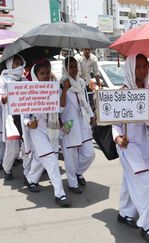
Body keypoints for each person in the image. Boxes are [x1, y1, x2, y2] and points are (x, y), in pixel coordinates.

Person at [112, 54, 149, 243]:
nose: (143, 70)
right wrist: (119, 137)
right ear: (130, 68)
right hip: (127, 146)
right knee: (144, 182)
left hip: (144, 143)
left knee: (129, 180)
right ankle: (146, 225)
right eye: (138, 66)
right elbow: (114, 123)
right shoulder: (122, 92)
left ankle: (124, 213)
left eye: (145, 66)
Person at [23, 60, 70, 207]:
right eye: (41, 73)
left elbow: (60, 109)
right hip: (37, 131)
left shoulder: (55, 89)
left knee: (41, 159)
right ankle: (60, 194)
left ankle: (31, 179)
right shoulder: (28, 91)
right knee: (51, 161)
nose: (45, 76)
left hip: (53, 129)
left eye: (47, 73)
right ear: (35, 75)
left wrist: (65, 91)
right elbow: (25, 117)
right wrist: (29, 123)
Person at [59, 56, 95, 194]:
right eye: (71, 67)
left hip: (82, 122)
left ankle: (78, 173)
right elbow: (59, 108)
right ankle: (72, 183)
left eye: (75, 66)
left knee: (89, 154)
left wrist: (91, 116)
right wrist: (64, 90)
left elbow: (85, 102)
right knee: (70, 157)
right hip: (69, 124)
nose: (74, 69)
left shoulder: (80, 82)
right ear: (65, 68)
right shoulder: (61, 84)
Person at [0, 55, 31, 181]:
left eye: (21, 63)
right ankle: (7, 169)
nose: (19, 66)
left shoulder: (25, 80)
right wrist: (9, 95)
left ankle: (28, 175)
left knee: (27, 147)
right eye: (16, 63)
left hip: (24, 117)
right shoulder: (2, 80)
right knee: (13, 149)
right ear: (10, 64)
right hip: (11, 118)